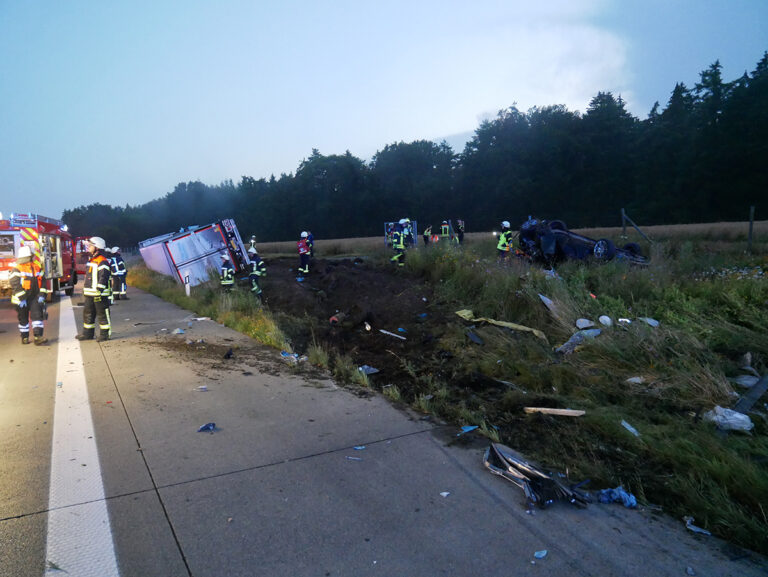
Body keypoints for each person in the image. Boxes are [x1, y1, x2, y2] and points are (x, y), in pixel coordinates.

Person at [10, 245, 49, 345]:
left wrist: (41, 294)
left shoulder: (37, 267)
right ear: (28, 256)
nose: (33, 257)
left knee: (37, 316)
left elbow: (43, 282)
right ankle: (24, 338)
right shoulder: (17, 269)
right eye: (32, 255)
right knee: (23, 319)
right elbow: (15, 284)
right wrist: (22, 298)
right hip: (21, 300)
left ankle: (38, 337)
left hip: (34, 298)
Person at [76, 237, 112, 342]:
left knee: (102, 314)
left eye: (91, 245)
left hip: (99, 294)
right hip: (89, 294)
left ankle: (105, 335)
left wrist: (99, 291)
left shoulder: (102, 261)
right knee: (88, 313)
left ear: (97, 247)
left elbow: (104, 277)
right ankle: (87, 334)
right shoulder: (92, 260)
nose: (89, 247)